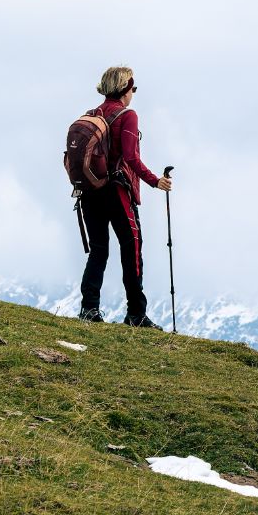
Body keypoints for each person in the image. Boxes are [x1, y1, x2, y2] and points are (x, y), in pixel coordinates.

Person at [79, 65, 172, 327]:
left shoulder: (92, 115)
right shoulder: (127, 115)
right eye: (133, 88)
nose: (133, 93)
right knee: (131, 250)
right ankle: (136, 314)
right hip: (116, 191)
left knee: (98, 250)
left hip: (89, 191)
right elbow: (131, 157)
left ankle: (89, 309)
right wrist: (155, 181)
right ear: (124, 88)